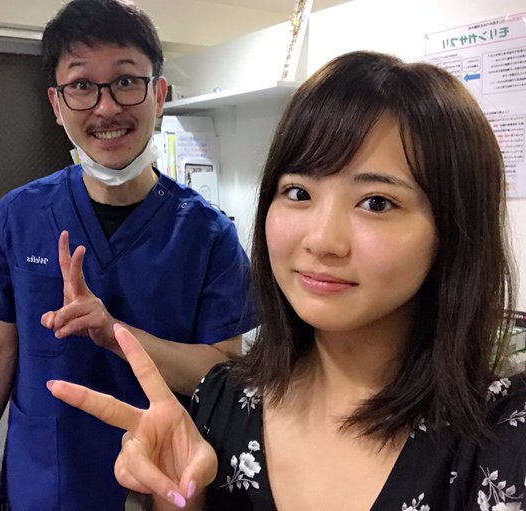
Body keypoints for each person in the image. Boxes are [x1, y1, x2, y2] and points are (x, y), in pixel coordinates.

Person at [48, 50, 526, 510]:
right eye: (298, 192)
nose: (322, 240)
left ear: (454, 229)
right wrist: (179, 497)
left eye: (376, 202)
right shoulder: (224, 400)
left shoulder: (503, 435)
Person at [0, 0, 256, 509]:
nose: (107, 107)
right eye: (81, 85)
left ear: (159, 94)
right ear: (56, 104)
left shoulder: (209, 235)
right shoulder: (18, 216)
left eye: (126, 80)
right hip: (44, 482)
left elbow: (222, 374)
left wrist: (114, 333)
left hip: (163, 487)